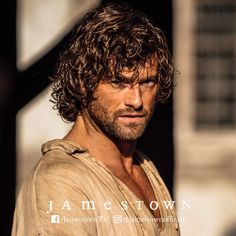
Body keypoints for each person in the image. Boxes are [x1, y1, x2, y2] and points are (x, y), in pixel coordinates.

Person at [11, 2, 180, 235]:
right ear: (83, 83)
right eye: (119, 82)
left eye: (147, 82)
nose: (137, 100)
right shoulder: (59, 182)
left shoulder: (145, 168)